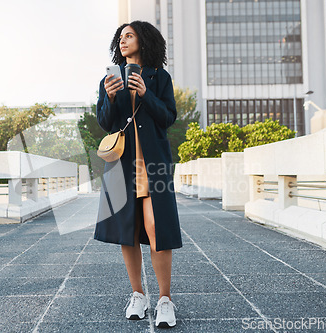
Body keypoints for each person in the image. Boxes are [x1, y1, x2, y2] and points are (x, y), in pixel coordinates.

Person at [94, 20, 182, 328]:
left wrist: (145, 93)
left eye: (129, 36)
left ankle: (165, 299)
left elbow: (168, 117)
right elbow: (105, 122)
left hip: (152, 163)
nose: (123, 41)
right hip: (121, 163)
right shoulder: (109, 78)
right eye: (120, 37)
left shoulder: (160, 78)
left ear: (143, 41)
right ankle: (137, 294)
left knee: (155, 226)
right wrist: (110, 96)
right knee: (127, 232)